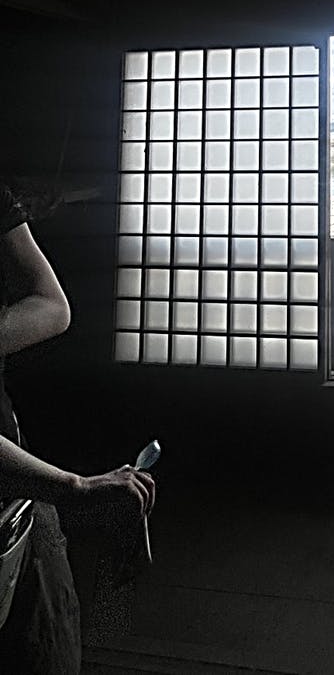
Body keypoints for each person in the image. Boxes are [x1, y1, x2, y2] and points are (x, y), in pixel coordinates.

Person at [0, 179, 156, 674]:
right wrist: (77, 487)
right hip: (22, 478)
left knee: (49, 643)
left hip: (19, 482)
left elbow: (52, 305)